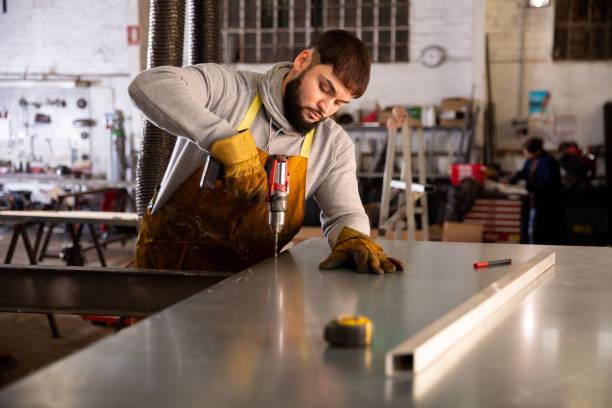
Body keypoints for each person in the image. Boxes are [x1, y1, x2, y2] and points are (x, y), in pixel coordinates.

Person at [128, 29, 403, 274]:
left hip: (251, 288)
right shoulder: (229, 90)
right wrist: (220, 137)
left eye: (339, 102)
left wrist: (353, 237)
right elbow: (148, 84)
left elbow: (344, 214)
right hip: (166, 276)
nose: (325, 108)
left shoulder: (332, 144)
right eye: (324, 88)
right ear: (303, 60)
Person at [508, 137, 563, 244]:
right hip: (532, 200)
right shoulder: (531, 159)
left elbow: (548, 183)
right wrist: (515, 177)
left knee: (539, 230)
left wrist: (530, 186)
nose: (526, 156)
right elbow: (525, 172)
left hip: (546, 202)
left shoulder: (550, 162)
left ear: (537, 151)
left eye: (528, 153)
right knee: (529, 228)